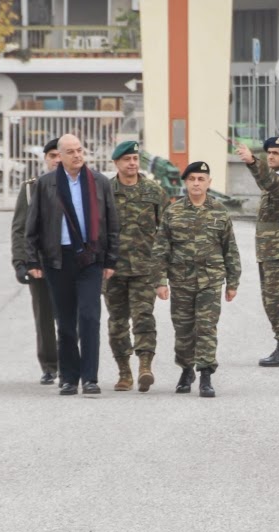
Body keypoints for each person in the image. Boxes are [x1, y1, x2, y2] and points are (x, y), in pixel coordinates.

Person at [24, 134, 120, 397]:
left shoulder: (99, 182)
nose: (77, 155)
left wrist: (111, 259)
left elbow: (112, 224)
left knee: (89, 318)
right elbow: (32, 225)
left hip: (90, 259)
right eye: (71, 152)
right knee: (65, 323)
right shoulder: (45, 185)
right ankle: (68, 378)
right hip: (58, 260)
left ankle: (90, 377)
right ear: (60, 156)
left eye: (80, 150)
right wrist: (31, 260)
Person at [152, 161, 241, 398]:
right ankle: (185, 369)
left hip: (211, 281)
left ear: (209, 183)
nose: (196, 183)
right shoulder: (173, 212)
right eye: (192, 179)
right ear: (185, 183)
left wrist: (232, 282)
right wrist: (160, 281)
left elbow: (230, 249)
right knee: (183, 331)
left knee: (206, 328)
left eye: (201, 179)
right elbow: (161, 249)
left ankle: (205, 375)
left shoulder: (220, 212)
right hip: (181, 281)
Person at [104, 140, 166, 392]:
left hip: (144, 269)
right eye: (127, 159)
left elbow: (165, 234)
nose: (132, 163)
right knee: (117, 323)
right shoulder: (104, 191)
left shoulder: (154, 191)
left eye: (135, 159)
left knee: (144, 318)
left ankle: (144, 367)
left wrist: (162, 275)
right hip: (113, 270)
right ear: (116, 163)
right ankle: (123, 372)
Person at [236, 136, 279, 367]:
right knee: (271, 299)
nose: (271, 156)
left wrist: (253, 161)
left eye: (276, 153)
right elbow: (267, 181)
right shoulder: (276, 175)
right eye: (269, 153)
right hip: (270, 248)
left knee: (277, 299)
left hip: (278, 248)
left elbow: (271, 183)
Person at [11, 137, 60, 385]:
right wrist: (20, 262)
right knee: (44, 317)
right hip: (40, 263)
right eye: (52, 156)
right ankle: (50, 365)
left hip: (72, 264)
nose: (57, 160)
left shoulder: (81, 186)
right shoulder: (31, 188)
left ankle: (70, 360)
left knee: (71, 315)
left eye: (60, 155)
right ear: (45, 160)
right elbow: (19, 228)